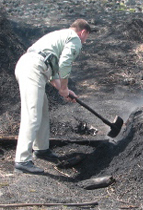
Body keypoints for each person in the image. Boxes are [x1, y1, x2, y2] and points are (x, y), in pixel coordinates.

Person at [14, 19, 91, 174]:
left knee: (42, 110)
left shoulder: (59, 37)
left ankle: (41, 149)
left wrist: (66, 90)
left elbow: (53, 74)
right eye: (86, 37)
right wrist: (63, 87)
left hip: (34, 67)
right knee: (33, 113)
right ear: (83, 32)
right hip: (33, 67)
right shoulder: (75, 38)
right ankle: (22, 160)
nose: (84, 41)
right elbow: (65, 63)